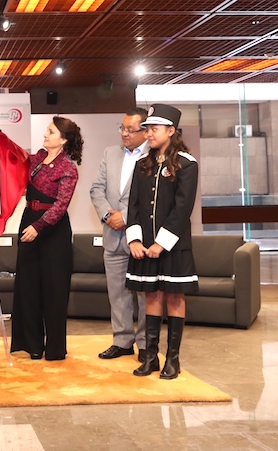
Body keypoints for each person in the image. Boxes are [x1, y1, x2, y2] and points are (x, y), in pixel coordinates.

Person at [126, 103, 199, 380]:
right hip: (145, 246)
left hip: (173, 245)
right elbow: (133, 205)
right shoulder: (142, 165)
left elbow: (183, 209)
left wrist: (162, 243)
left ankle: (173, 359)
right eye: (147, 129)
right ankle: (151, 357)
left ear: (170, 130)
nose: (149, 134)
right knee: (152, 295)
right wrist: (135, 240)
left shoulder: (187, 164)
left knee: (175, 297)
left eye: (154, 129)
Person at [10, 116, 84, 361]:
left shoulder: (68, 168)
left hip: (53, 231)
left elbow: (61, 206)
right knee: (28, 286)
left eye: (51, 132)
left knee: (54, 290)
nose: (45, 134)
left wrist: (38, 226)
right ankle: (32, 345)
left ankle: (54, 348)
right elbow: (13, 157)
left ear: (63, 140)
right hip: (28, 221)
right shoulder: (37, 158)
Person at [90, 108, 149, 362]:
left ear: (145, 131)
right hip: (113, 237)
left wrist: (125, 217)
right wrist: (107, 216)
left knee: (145, 295)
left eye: (131, 130)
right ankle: (122, 341)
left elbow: (151, 197)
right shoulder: (110, 153)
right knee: (117, 293)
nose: (125, 134)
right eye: (122, 128)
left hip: (142, 238)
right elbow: (96, 189)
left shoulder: (155, 156)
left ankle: (146, 344)